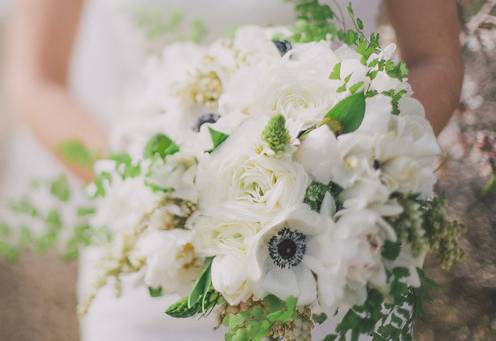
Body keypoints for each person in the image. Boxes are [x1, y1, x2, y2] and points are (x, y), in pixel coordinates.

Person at [2, 0, 463, 340]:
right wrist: (155, 188)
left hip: (337, 252)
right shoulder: (155, 209)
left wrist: (351, 165)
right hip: (157, 250)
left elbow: (433, 59)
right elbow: (38, 82)